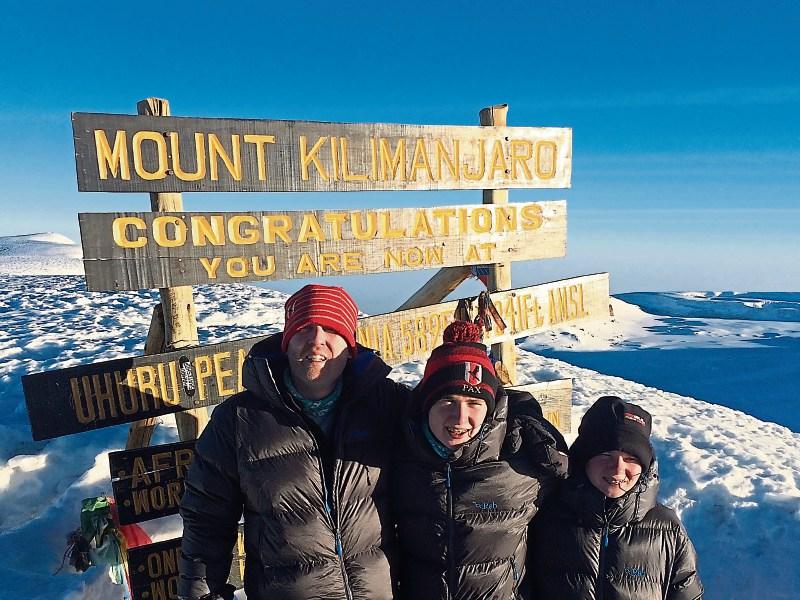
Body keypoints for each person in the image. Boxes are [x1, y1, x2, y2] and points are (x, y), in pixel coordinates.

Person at [178, 284, 409, 600]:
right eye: (303, 329)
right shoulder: (239, 419)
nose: (316, 340)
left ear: (350, 347)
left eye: (331, 329)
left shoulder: (387, 404)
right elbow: (207, 520)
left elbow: (452, 435)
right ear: (286, 343)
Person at [392, 320, 568, 600]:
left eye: (474, 403)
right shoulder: (399, 454)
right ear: (426, 405)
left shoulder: (523, 461)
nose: (460, 418)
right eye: (448, 401)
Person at [528, 395, 704, 599]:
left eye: (631, 459)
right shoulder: (547, 519)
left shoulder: (667, 530)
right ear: (583, 459)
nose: (618, 470)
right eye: (606, 456)